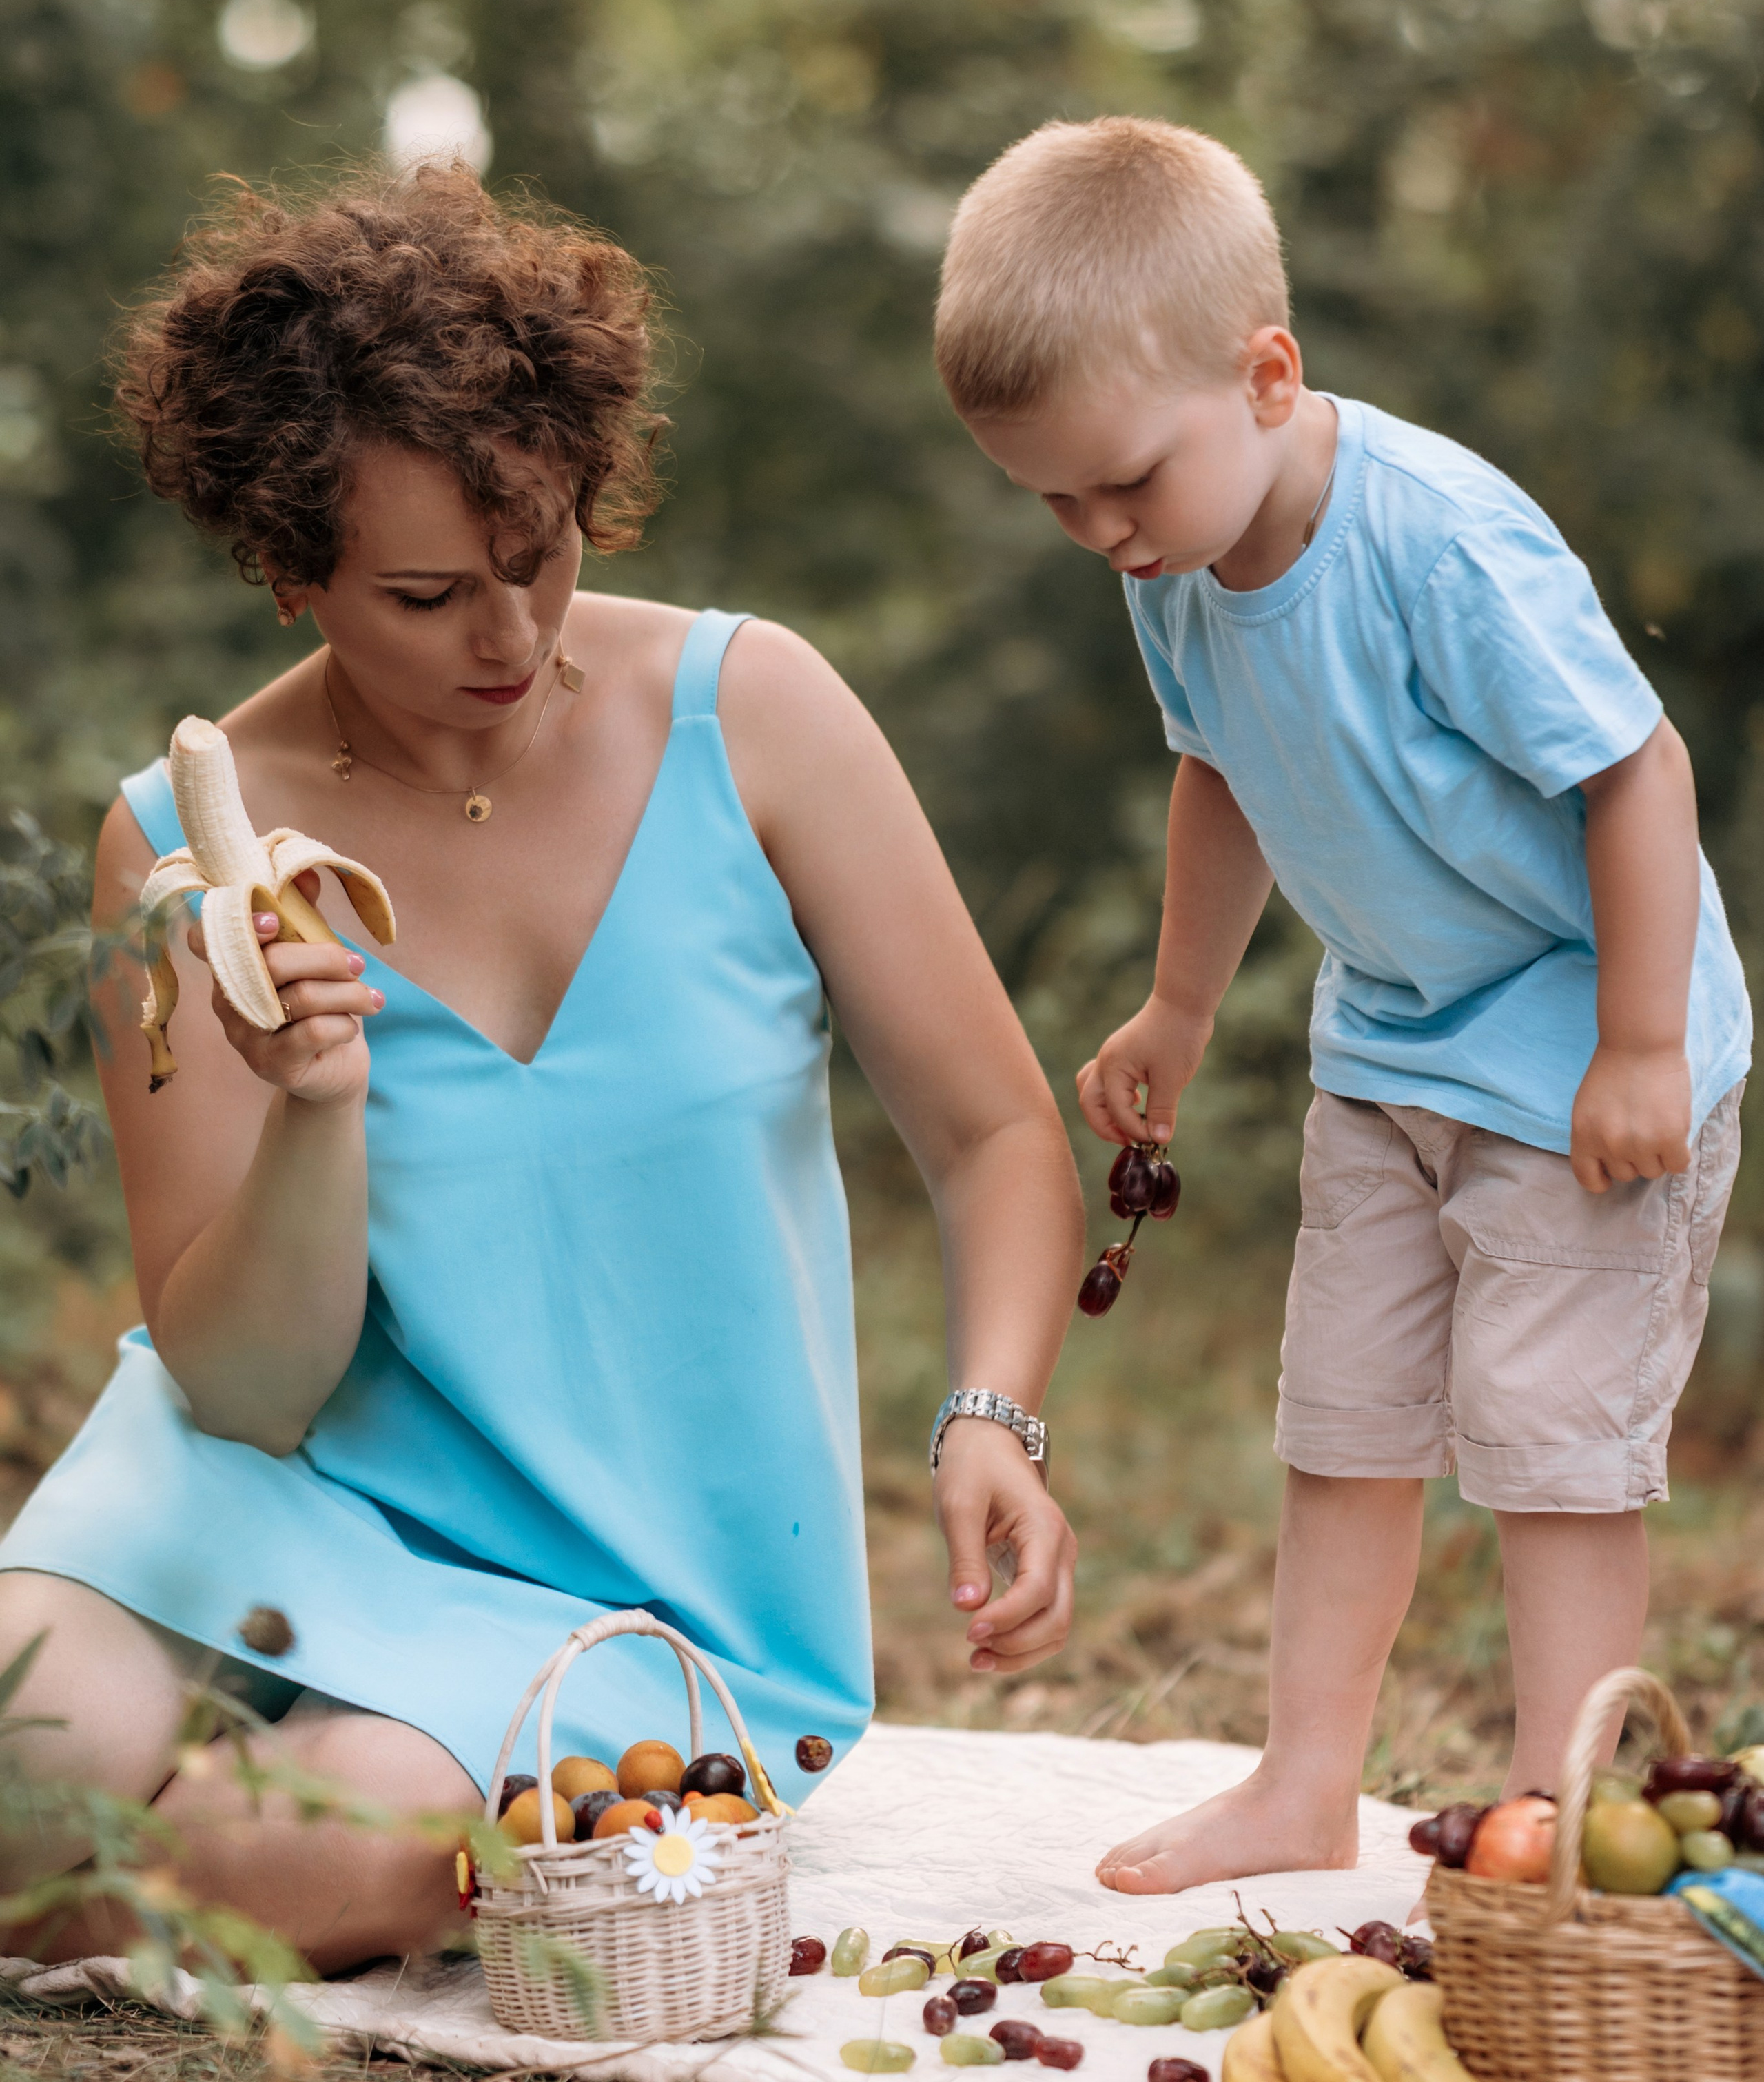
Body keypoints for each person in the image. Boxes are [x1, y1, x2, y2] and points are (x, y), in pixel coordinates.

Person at [0, 163, 1083, 1968]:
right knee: (27, 1762)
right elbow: (246, 1390)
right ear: (289, 570)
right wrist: (315, 1109)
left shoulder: (759, 718)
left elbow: (993, 1134)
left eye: (541, 555)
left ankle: (133, 1889)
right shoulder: (180, 846)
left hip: (650, 1596)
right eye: (428, 595)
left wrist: (996, 1415)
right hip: (270, 1486)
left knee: (326, 1847)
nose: (510, 637)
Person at [934, 114, 1750, 1896]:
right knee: (1345, 1419)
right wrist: (1178, 1007)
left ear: (1267, 376)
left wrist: (1642, 1042)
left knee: (1548, 1450)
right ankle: (1306, 1783)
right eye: (1056, 503)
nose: (1101, 535)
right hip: (1392, 1041)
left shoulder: (1439, 546)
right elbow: (1220, 775)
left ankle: (1553, 1818)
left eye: (1122, 485)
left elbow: (1637, 769)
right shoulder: (1175, 568)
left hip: (1582, 1048)